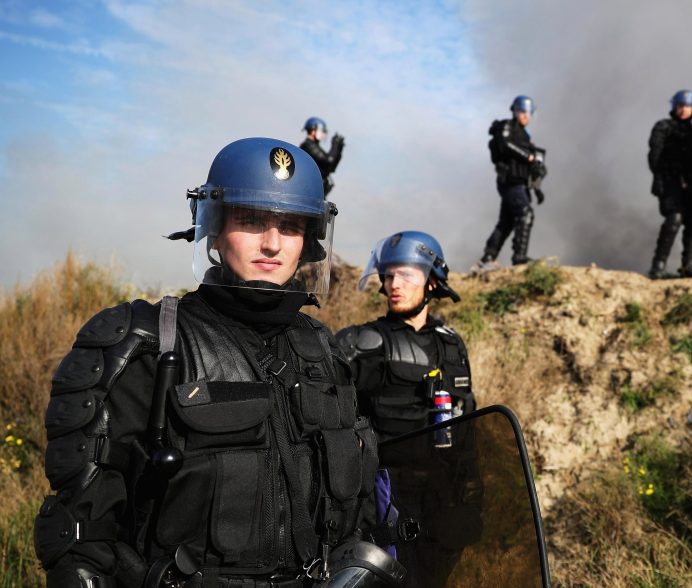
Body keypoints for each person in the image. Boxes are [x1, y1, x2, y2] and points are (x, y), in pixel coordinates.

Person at [35, 138, 403, 587]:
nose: (271, 244)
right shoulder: (146, 345)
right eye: (251, 220)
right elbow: (83, 546)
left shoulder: (323, 351)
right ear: (214, 226)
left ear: (308, 241)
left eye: (289, 226)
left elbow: (357, 513)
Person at [336, 231, 479, 585]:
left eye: (406, 274)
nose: (393, 283)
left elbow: (467, 419)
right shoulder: (360, 344)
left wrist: (473, 493)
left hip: (444, 504)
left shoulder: (452, 344)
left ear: (432, 283)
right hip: (388, 506)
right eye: (389, 274)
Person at [477, 95, 547, 269]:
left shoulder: (525, 136)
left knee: (506, 222)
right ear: (516, 110)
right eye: (522, 111)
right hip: (510, 181)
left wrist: (537, 185)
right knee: (525, 214)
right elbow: (505, 144)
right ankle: (519, 258)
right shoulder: (507, 127)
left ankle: (487, 257)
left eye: (528, 112)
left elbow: (531, 164)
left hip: (520, 183)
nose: (525, 116)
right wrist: (528, 157)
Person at [647, 89, 692, 279]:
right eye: (680, 105)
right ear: (674, 107)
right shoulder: (663, 127)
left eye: (687, 106)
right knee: (674, 219)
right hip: (670, 179)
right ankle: (658, 266)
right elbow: (654, 155)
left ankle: (688, 266)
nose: (683, 110)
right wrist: (659, 178)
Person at [300, 116, 345, 195]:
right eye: (322, 131)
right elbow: (328, 161)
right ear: (313, 130)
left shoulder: (314, 145)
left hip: (317, 191)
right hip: (310, 191)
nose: (324, 134)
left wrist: (339, 150)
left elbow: (331, 168)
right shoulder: (308, 145)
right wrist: (335, 145)